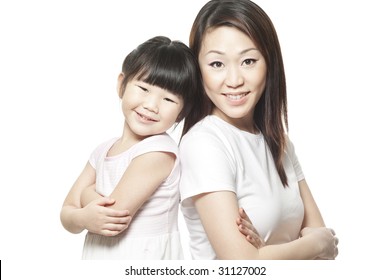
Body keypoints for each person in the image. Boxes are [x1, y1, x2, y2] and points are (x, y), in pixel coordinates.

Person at [179, 0, 339, 260]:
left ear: (270, 63)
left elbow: (323, 247)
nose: (234, 80)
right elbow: (241, 264)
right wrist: (314, 244)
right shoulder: (204, 144)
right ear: (198, 70)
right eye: (217, 64)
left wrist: (266, 252)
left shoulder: (279, 142)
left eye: (249, 61)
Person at [60, 36, 202, 259]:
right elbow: (66, 213)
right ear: (121, 84)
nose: (151, 105)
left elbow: (113, 217)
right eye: (144, 88)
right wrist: (81, 218)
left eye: (168, 99)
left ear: (182, 112)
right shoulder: (102, 151)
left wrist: (86, 195)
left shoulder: (158, 151)